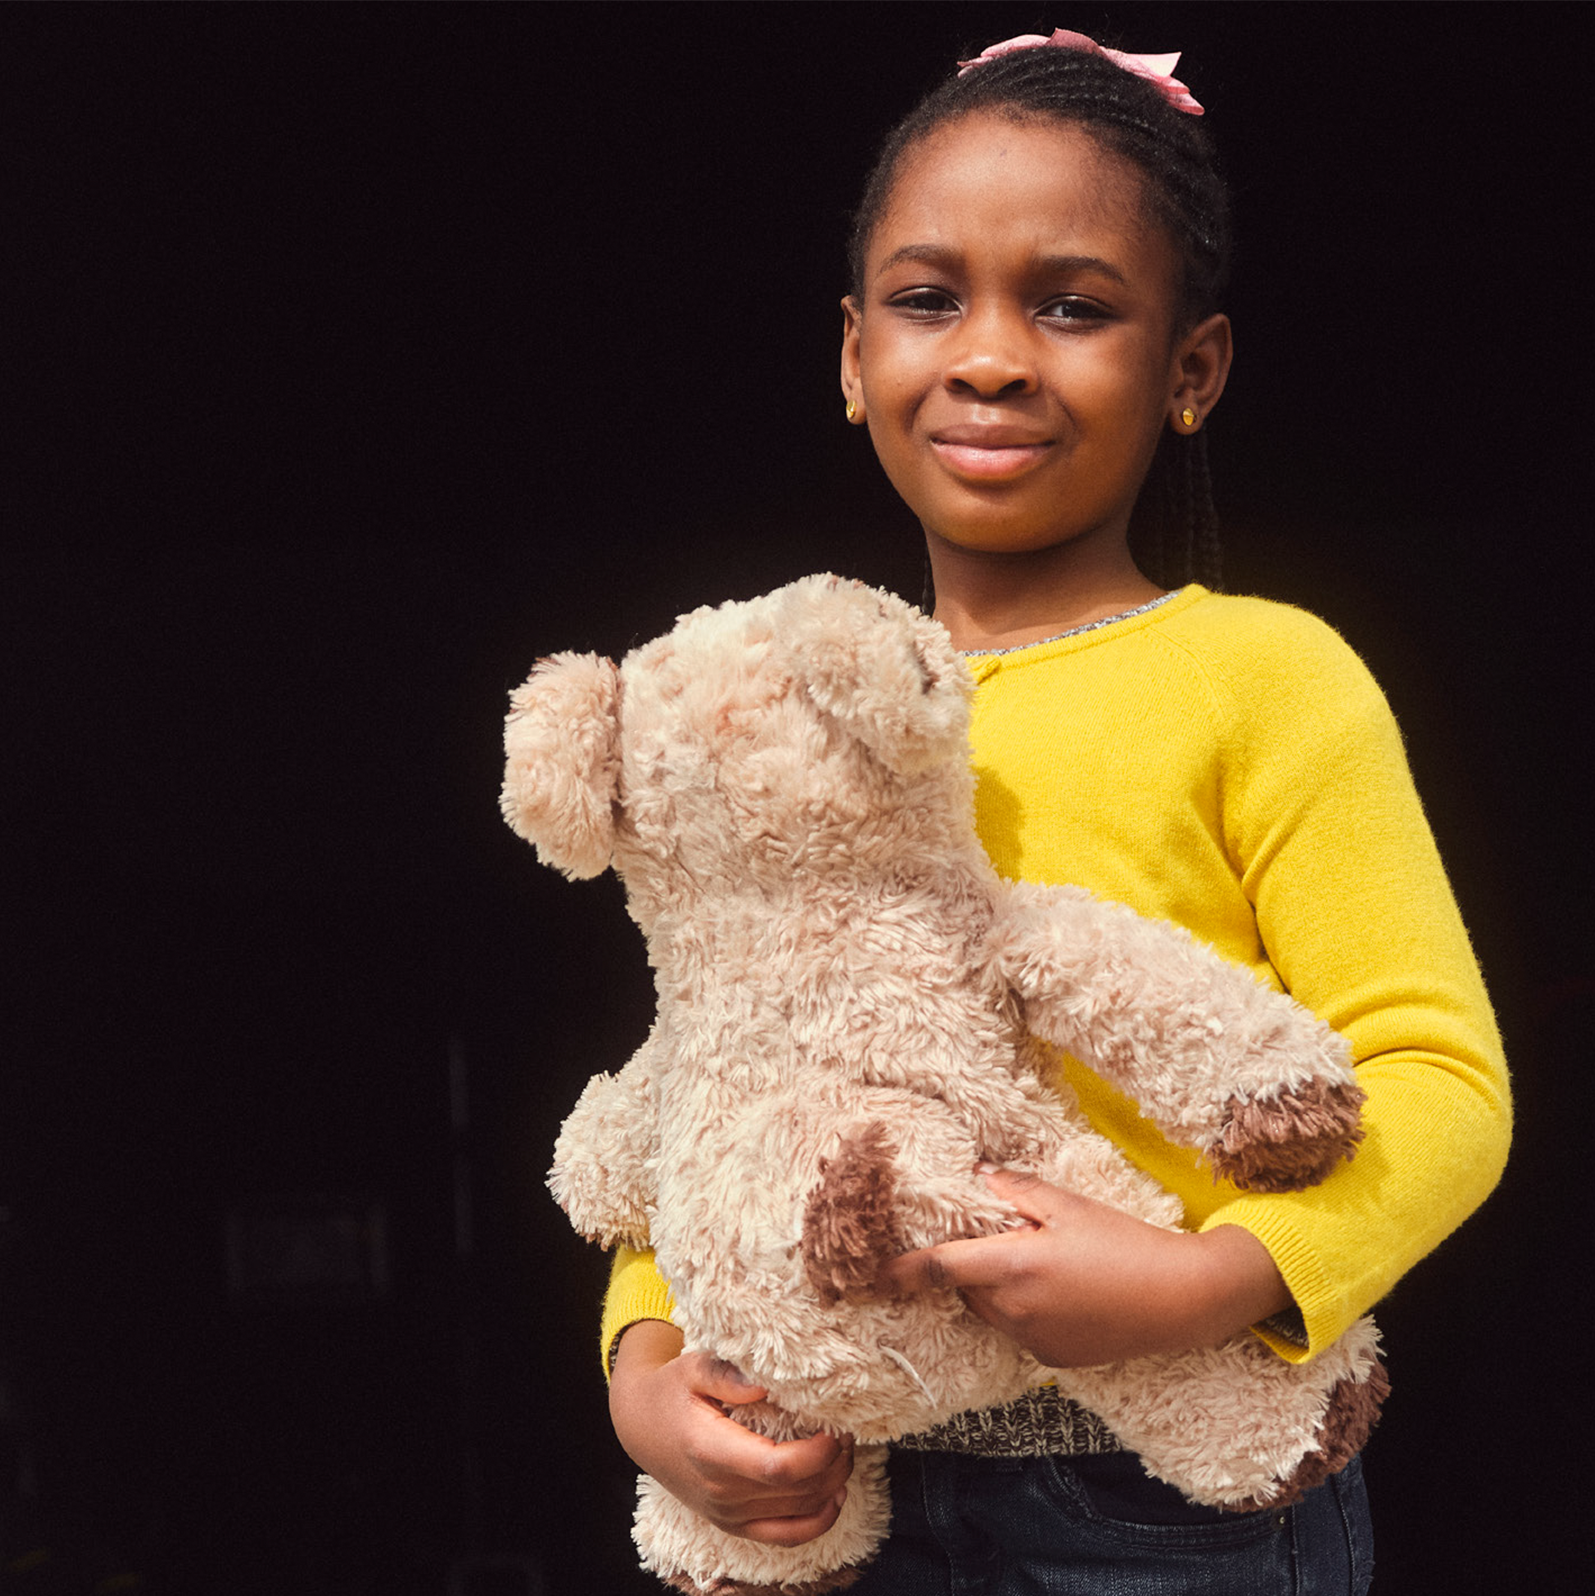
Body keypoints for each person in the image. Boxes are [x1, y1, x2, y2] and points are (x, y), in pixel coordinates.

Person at [596, 28, 1510, 1595]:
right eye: (927, 297)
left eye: (1073, 306)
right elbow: (713, 1064)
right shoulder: (767, 700)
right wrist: (644, 1365)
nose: (991, 356)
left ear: (1191, 370)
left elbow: (1440, 1081)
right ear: (847, 352)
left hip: (1167, 1498)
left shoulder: (1262, 676)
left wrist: (1208, 1283)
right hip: (829, 1491)